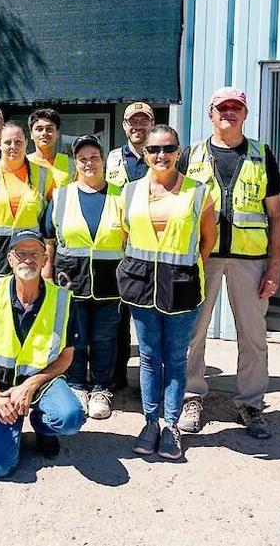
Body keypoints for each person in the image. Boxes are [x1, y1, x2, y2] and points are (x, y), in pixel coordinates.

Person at [177, 86, 280, 439]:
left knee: (253, 336)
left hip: (250, 261)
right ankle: (191, 397)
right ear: (210, 113)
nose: (229, 112)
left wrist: (274, 268)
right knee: (193, 332)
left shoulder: (261, 155)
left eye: (235, 107)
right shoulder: (190, 156)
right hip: (201, 258)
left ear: (245, 114)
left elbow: (277, 216)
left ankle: (251, 404)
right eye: (222, 107)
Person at [117, 124, 216, 460]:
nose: (162, 155)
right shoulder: (129, 192)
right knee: (148, 357)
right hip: (142, 287)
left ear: (179, 152)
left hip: (181, 287)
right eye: (154, 149)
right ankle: (150, 422)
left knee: (175, 358)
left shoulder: (198, 192)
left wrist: (184, 268)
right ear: (145, 154)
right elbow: (125, 237)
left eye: (168, 148)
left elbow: (207, 240)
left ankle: (171, 425)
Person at [0, 229, 84, 478]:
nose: (28, 259)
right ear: (10, 259)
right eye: (21, 253)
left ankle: (42, 427)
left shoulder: (62, 299)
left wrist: (31, 384)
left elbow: (66, 356)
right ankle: (5, 422)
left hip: (42, 383)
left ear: (45, 259)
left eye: (34, 253)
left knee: (70, 418)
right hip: (2, 388)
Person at [42, 135, 124, 420]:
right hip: (70, 280)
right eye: (82, 159)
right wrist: (47, 272)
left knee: (104, 338)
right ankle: (77, 384)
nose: (89, 163)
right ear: (75, 163)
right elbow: (49, 239)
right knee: (74, 336)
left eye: (94, 158)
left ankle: (101, 388)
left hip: (109, 283)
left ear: (103, 161)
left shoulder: (121, 195)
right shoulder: (61, 196)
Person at [0, 122, 60, 282]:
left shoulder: (44, 175)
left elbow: (50, 226)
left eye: (18, 142)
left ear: (26, 143)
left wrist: (47, 264)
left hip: (28, 257)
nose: (13, 146)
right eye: (8, 142)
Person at [106, 101, 156, 391]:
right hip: (119, 248)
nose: (138, 126)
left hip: (153, 247)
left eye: (143, 120)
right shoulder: (112, 158)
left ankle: (151, 382)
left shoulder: (161, 155)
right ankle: (117, 376)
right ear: (124, 126)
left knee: (150, 318)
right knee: (118, 317)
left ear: (152, 124)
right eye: (132, 121)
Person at [27, 107, 73, 183]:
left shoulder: (71, 164)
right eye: (39, 129)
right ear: (31, 134)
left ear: (57, 133)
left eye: (49, 129)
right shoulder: (23, 163)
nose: (44, 133)